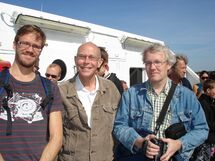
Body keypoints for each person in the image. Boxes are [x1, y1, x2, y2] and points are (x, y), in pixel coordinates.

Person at [113, 43, 208, 161]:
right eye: (148, 63)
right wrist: (139, 142)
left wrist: (179, 144)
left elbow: (202, 129)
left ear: (168, 65)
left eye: (157, 62)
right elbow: (119, 126)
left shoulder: (187, 96)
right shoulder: (131, 94)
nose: (152, 67)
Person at [0, 25, 63, 161]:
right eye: (25, 43)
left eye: (36, 46)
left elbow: (56, 137)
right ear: (14, 45)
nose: (30, 49)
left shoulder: (50, 87)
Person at [58, 42, 121, 161]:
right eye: (82, 57)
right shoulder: (61, 91)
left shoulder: (111, 89)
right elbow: (53, 134)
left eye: (92, 57)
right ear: (76, 60)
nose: (86, 61)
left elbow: (119, 126)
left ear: (99, 62)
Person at [191, 79, 215, 161]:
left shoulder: (209, 102)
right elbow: (207, 123)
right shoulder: (204, 103)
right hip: (207, 141)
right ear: (208, 90)